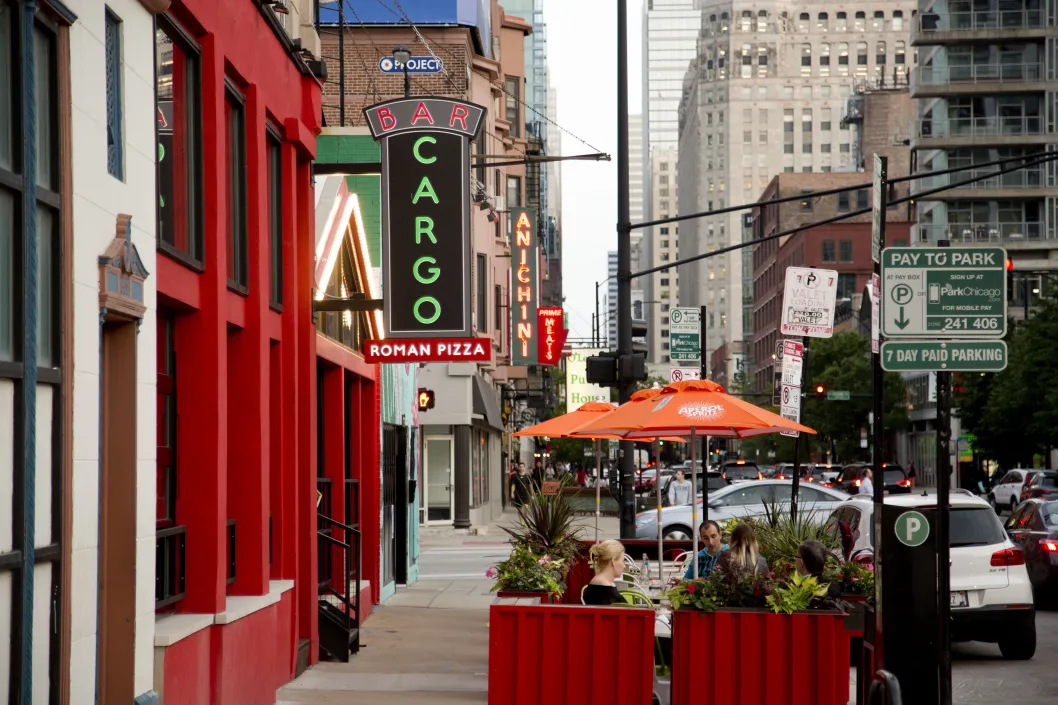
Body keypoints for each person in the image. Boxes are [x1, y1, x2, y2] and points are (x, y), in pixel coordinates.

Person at [582, 540, 627, 605]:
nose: (624, 566)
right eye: (623, 561)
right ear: (613, 561)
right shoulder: (604, 586)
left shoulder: (605, 583)